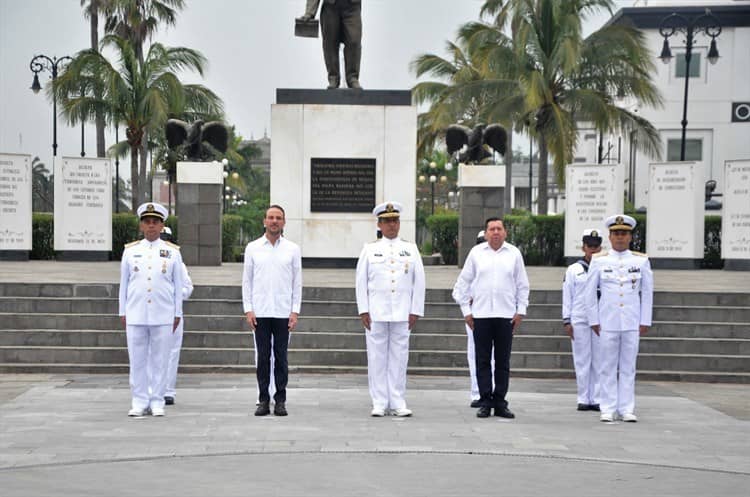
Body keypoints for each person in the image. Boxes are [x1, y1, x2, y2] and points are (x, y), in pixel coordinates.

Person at [452, 218, 529, 419]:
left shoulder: (514, 254)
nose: (495, 232)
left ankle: (500, 402)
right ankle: (485, 400)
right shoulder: (476, 254)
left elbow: (522, 284)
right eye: (491, 229)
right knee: (483, 360)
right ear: (486, 233)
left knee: (503, 361)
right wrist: (466, 311)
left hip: (505, 316)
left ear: (505, 232)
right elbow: (462, 283)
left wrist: (520, 310)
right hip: (481, 315)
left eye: (499, 229)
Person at [356, 201, 425, 417]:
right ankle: (379, 401)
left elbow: (419, 281)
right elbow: (361, 282)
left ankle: (397, 401)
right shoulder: (370, 249)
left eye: (395, 221)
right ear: (379, 224)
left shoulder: (410, 249)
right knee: (376, 357)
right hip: (376, 311)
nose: (392, 225)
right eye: (387, 221)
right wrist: (363, 310)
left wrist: (416, 310)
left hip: (403, 312)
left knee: (399, 357)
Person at [585, 214, 653, 423]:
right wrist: (594, 320)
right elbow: (589, 293)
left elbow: (647, 292)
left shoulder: (641, 261)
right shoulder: (599, 260)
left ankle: (626, 408)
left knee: (628, 366)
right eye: (616, 233)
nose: (620, 238)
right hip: (607, 320)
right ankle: (607, 407)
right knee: (607, 365)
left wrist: (645, 321)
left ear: (630, 237)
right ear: (610, 236)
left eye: (624, 234)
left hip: (631, 321)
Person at [119, 202, 184, 418]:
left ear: (162, 225)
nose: (151, 227)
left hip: (163, 314)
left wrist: (177, 313)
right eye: (147, 222)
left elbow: (177, 286)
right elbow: (124, 285)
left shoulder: (172, 253)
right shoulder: (130, 251)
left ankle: (157, 401)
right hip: (136, 313)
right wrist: (123, 311)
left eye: (155, 222)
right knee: (137, 360)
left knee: (160, 360)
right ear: (141, 226)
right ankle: (139, 401)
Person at [242, 205, 302, 417]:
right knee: (263, 358)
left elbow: (297, 283)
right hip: (261, 312)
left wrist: (295, 311)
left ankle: (280, 400)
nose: (274, 221)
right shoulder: (253, 248)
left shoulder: (293, 249)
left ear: (284, 222)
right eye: (270, 217)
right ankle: (263, 399)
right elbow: (246, 282)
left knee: (281, 358)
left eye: (278, 218)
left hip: (283, 312)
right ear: (264, 221)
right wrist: (248, 309)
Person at [562, 228, 602, 412]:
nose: (593, 249)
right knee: (582, 359)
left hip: (601, 320)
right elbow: (567, 295)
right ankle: (583, 397)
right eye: (589, 246)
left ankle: (597, 398)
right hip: (579, 318)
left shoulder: (605, 267)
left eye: (596, 246)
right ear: (583, 247)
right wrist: (566, 320)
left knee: (599, 360)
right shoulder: (573, 269)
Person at [159, 227, 194, 406]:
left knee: (172, 352)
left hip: (172, 312)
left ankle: (168, 390)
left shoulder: (178, 263)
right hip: (152, 312)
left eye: (166, 239)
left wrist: (171, 294)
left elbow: (188, 288)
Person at [298, 0, 362, 89]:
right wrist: (309, 12)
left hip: (352, 7)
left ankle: (352, 78)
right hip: (330, 7)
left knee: (354, 41)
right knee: (330, 43)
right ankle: (333, 78)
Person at [465, 229, 494, 408]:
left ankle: (492, 392)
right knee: (475, 355)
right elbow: (462, 289)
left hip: (496, 316)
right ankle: (477, 393)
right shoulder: (473, 263)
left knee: (495, 357)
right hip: (476, 316)